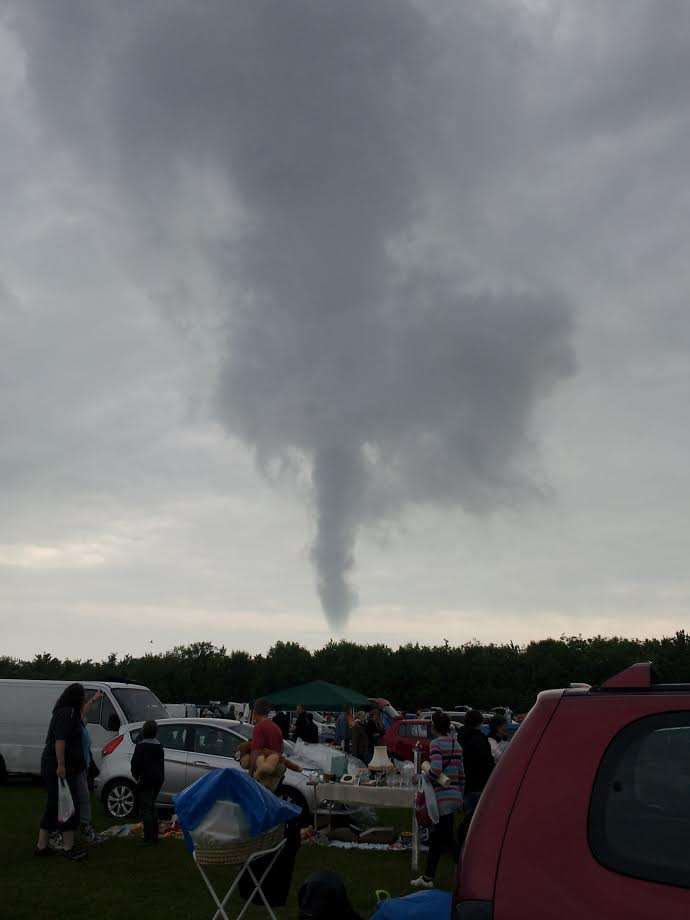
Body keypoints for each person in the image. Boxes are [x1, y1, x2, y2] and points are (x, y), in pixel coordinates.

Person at [411, 710, 464, 889]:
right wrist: (460, 795)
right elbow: (461, 774)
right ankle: (428, 878)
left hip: (442, 798)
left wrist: (420, 778)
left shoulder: (436, 744)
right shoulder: (456, 745)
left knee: (446, 839)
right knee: (438, 838)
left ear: (434, 726)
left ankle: (463, 873)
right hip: (455, 795)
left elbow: (435, 770)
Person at [35, 683, 88, 860]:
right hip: (59, 768)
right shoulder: (68, 714)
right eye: (83, 696)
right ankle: (68, 847)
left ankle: (42, 846)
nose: (85, 699)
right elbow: (60, 740)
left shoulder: (66, 712)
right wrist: (61, 765)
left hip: (56, 766)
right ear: (77, 697)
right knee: (67, 806)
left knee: (52, 806)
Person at [457, 709, 494, 848]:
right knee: (478, 819)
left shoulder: (459, 737)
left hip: (465, 782)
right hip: (480, 782)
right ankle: (475, 845)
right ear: (480, 722)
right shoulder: (481, 740)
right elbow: (488, 762)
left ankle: (465, 843)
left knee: (468, 817)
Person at [131, 720, 165, 845]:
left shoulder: (141, 747)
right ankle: (155, 836)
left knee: (146, 808)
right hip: (157, 779)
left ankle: (148, 838)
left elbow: (135, 764)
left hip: (145, 779)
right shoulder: (159, 746)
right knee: (152, 806)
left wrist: (136, 776)